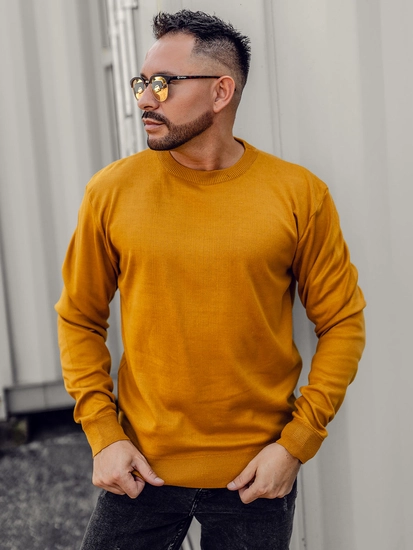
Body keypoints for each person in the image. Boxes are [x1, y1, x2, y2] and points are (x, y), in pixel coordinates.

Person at [56, 9, 366, 550]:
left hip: (256, 477)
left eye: (163, 83)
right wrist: (103, 435)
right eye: (141, 83)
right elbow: (79, 318)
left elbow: (342, 323)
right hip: (139, 467)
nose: (145, 99)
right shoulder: (111, 192)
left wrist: (294, 445)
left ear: (221, 92)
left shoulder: (298, 195)